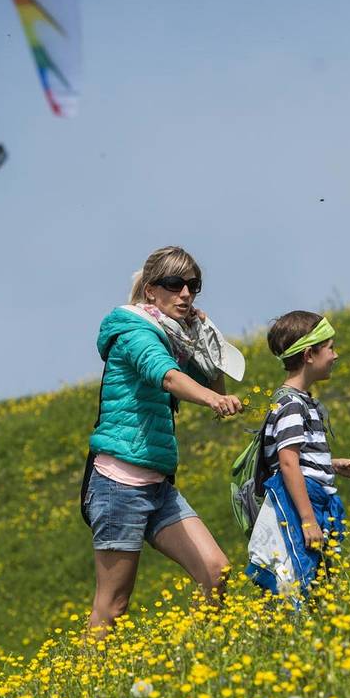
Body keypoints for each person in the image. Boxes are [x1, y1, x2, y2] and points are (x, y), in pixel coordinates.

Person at [83, 246, 244, 636]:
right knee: (114, 604)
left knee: (216, 571)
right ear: (151, 291)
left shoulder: (175, 337)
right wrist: (213, 400)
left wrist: (204, 338)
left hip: (157, 485)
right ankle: (85, 688)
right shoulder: (135, 334)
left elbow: (215, 381)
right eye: (175, 284)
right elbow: (167, 377)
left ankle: (194, 657)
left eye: (193, 285)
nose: (186, 293)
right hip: (117, 485)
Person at [245, 311, 350, 600]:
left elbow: (295, 457)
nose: (336, 355)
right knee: (299, 580)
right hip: (299, 503)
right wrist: (308, 519)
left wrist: (330, 465)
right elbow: (287, 463)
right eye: (330, 347)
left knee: (320, 584)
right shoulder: (291, 404)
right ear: (309, 354)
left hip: (310, 496)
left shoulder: (301, 402)